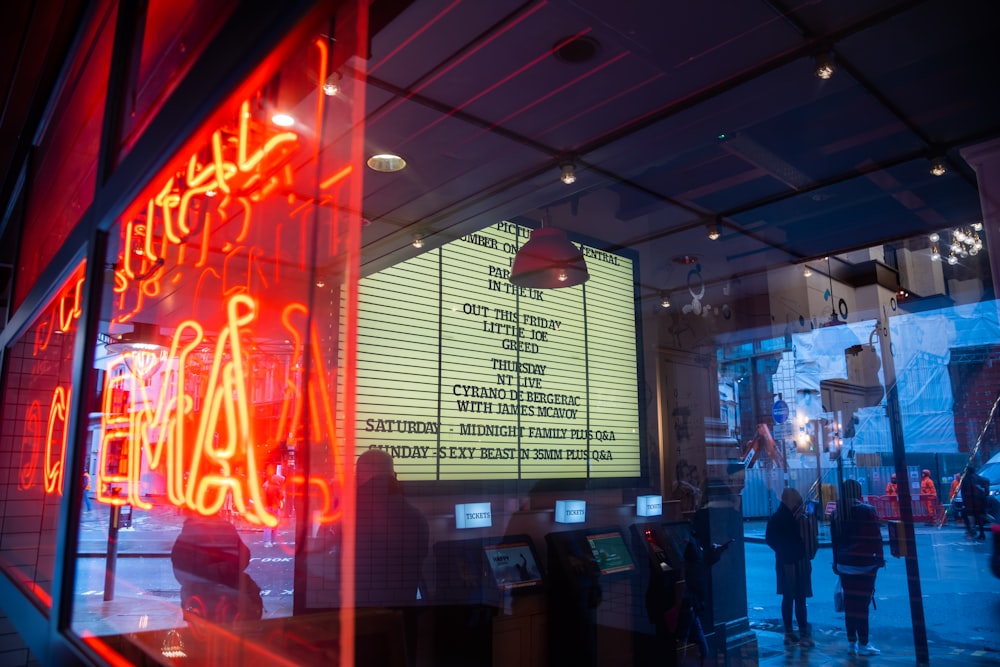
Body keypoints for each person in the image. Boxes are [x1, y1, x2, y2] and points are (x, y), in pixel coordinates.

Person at [354, 449, 429, 665]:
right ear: (393, 474)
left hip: (362, 623)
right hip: (402, 620)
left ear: (360, 475)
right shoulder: (415, 516)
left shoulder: (350, 515)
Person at [170, 512, 262, 628]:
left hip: (198, 601)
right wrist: (226, 570)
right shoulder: (226, 529)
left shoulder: (188, 533)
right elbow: (244, 556)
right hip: (228, 601)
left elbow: (180, 569)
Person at [831, 479, 885, 657]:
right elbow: (875, 537)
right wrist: (880, 559)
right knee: (863, 606)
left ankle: (851, 643)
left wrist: (836, 562)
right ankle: (864, 643)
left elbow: (835, 541)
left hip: (844, 565)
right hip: (864, 565)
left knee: (850, 604)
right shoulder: (867, 511)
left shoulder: (837, 512)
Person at [765, 488, 818, 647]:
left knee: (787, 598)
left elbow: (770, 539)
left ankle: (788, 632)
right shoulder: (800, 519)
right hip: (799, 563)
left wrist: (782, 551)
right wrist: (802, 553)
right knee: (800, 598)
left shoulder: (776, 518)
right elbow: (811, 545)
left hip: (783, 562)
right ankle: (803, 635)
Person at [961, 465, 989, 541]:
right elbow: (986, 490)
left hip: (970, 503)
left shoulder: (966, 479)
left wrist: (964, 502)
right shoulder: (980, 478)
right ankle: (982, 533)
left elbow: (963, 492)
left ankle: (971, 530)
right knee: (980, 517)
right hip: (980, 502)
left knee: (967, 515)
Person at [262, 464, 285, 547]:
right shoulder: (277, 488)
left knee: (267, 524)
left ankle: (267, 541)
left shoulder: (266, 487)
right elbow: (281, 497)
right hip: (275, 507)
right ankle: (272, 540)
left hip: (267, 507)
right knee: (275, 525)